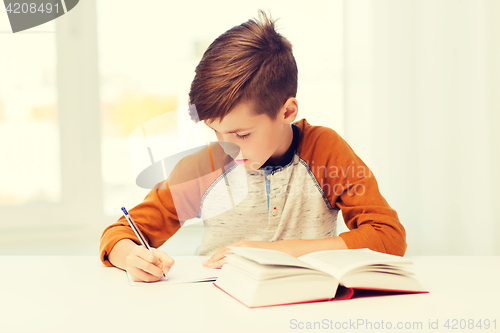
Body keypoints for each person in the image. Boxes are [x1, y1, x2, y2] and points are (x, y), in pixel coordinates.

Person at [99, 11, 406, 282]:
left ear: (287, 112)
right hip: (217, 306)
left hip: (309, 302)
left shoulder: (325, 151)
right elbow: (118, 235)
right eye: (216, 132)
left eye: (242, 135)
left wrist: (273, 252)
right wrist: (131, 257)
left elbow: (388, 237)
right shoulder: (206, 166)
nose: (228, 147)